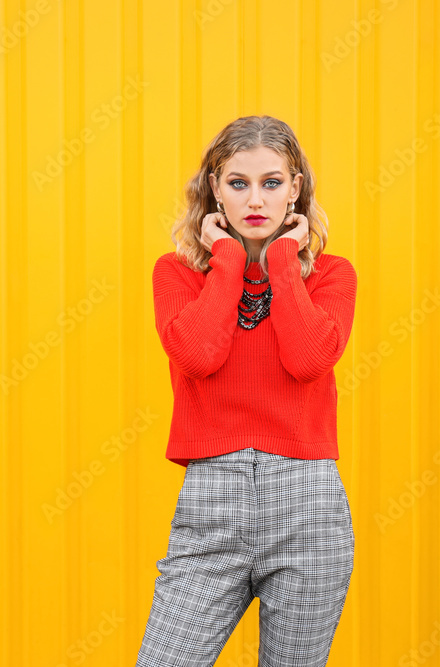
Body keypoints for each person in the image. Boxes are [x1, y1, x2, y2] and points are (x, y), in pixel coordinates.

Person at [136, 115, 358, 667]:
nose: (255, 199)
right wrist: (230, 262)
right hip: (212, 507)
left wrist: (281, 261)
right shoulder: (179, 275)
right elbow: (198, 355)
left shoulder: (331, 277)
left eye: (272, 182)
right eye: (238, 183)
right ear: (214, 189)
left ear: (295, 189)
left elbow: (307, 360)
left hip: (309, 509)